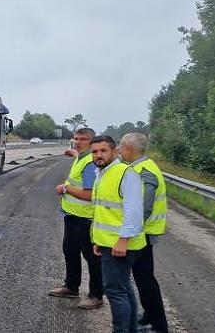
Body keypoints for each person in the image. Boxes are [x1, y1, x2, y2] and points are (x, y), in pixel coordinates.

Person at [90, 135, 146, 333]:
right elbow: (105, 212)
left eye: (103, 151)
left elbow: (134, 211)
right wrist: (99, 241)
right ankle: (131, 330)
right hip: (109, 243)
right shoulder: (102, 174)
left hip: (120, 244)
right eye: (95, 152)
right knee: (123, 289)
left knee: (115, 291)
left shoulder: (125, 173)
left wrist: (123, 239)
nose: (98, 155)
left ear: (115, 151)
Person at [49, 128, 104, 309]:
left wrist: (65, 189)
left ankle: (96, 295)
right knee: (70, 251)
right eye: (76, 138)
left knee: (91, 257)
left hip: (85, 218)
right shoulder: (81, 157)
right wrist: (73, 153)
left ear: (92, 141)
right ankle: (71, 287)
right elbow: (78, 158)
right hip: (72, 215)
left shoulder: (89, 163)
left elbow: (89, 194)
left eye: (83, 139)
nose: (78, 142)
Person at [119, 133, 168, 333]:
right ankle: (150, 314)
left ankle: (158, 325)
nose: (119, 151)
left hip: (143, 234)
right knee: (142, 278)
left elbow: (143, 208)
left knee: (145, 279)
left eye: (121, 148)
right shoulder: (139, 167)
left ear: (129, 149)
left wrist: (127, 234)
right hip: (142, 232)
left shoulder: (144, 172)